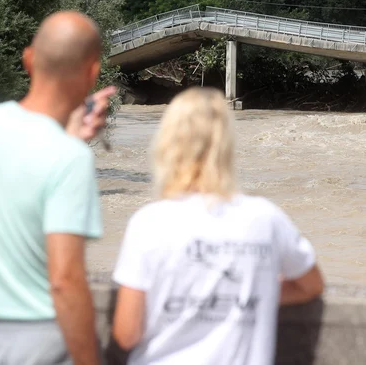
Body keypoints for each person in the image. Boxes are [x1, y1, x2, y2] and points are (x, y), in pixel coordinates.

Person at [111, 87, 324, 365]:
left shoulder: (149, 222)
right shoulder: (266, 218)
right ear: (227, 145)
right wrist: (250, 293)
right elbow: (311, 285)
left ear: (166, 144)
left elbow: (127, 334)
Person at [0, 11, 116, 365]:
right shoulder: (70, 158)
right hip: (44, 345)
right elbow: (65, 280)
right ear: (92, 73)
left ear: (28, 59)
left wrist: (69, 137)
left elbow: (27, 158)